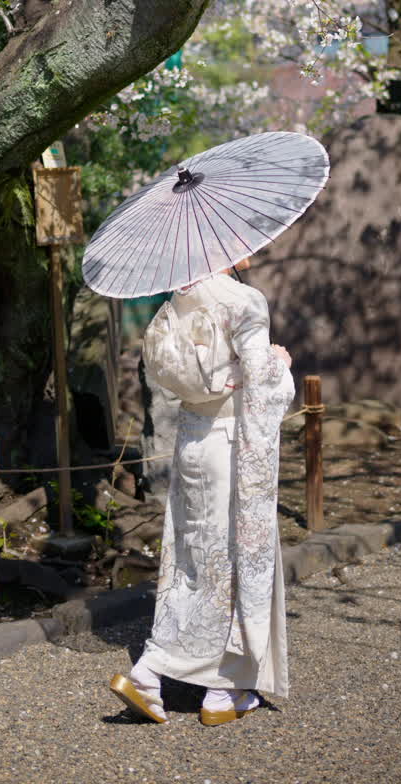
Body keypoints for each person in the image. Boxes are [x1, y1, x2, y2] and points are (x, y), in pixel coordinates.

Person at [109, 258, 294, 727]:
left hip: (192, 441)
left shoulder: (177, 300)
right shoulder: (241, 300)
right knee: (231, 557)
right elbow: (261, 386)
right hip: (232, 441)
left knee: (193, 558)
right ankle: (162, 675)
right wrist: (280, 364)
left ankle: (214, 685)